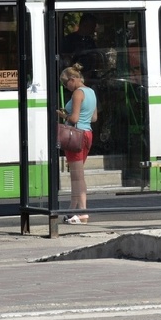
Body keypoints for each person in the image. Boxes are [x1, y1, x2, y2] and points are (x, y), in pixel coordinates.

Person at [57, 63, 97, 224]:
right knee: (77, 175)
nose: (66, 88)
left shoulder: (77, 94)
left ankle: (82, 211)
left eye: (66, 84)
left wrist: (63, 115)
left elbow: (73, 119)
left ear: (73, 79)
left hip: (76, 135)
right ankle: (73, 209)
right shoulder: (91, 92)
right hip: (87, 133)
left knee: (77, 177)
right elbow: (94, 118)